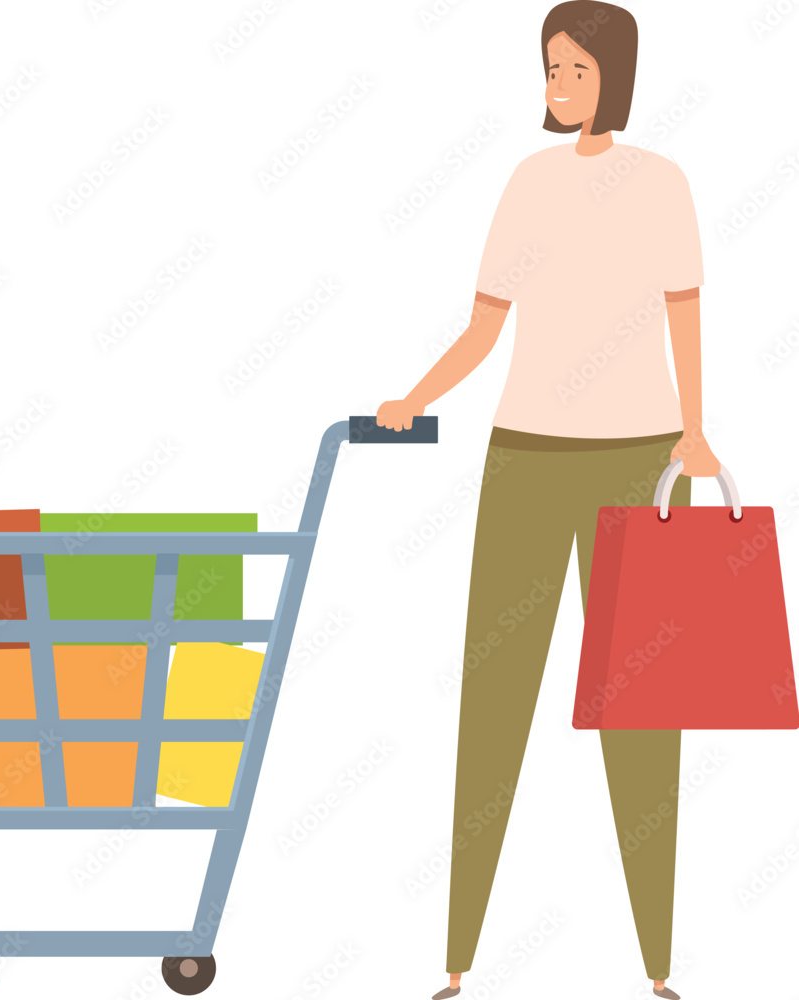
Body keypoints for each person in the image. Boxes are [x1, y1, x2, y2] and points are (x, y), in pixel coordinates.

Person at [376, 4, 719, 998]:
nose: (552, 87)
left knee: (647, 717)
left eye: (568, 70)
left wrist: (695, 430)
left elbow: (685, 313)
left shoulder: (662, 185)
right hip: (524, 458)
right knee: (494, 702)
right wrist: (413, 398)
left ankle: (657, 967)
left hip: (644, 465)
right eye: (548, 70)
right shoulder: (528, 184)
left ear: (611, 73)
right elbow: (482, 331)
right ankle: (455, 961)